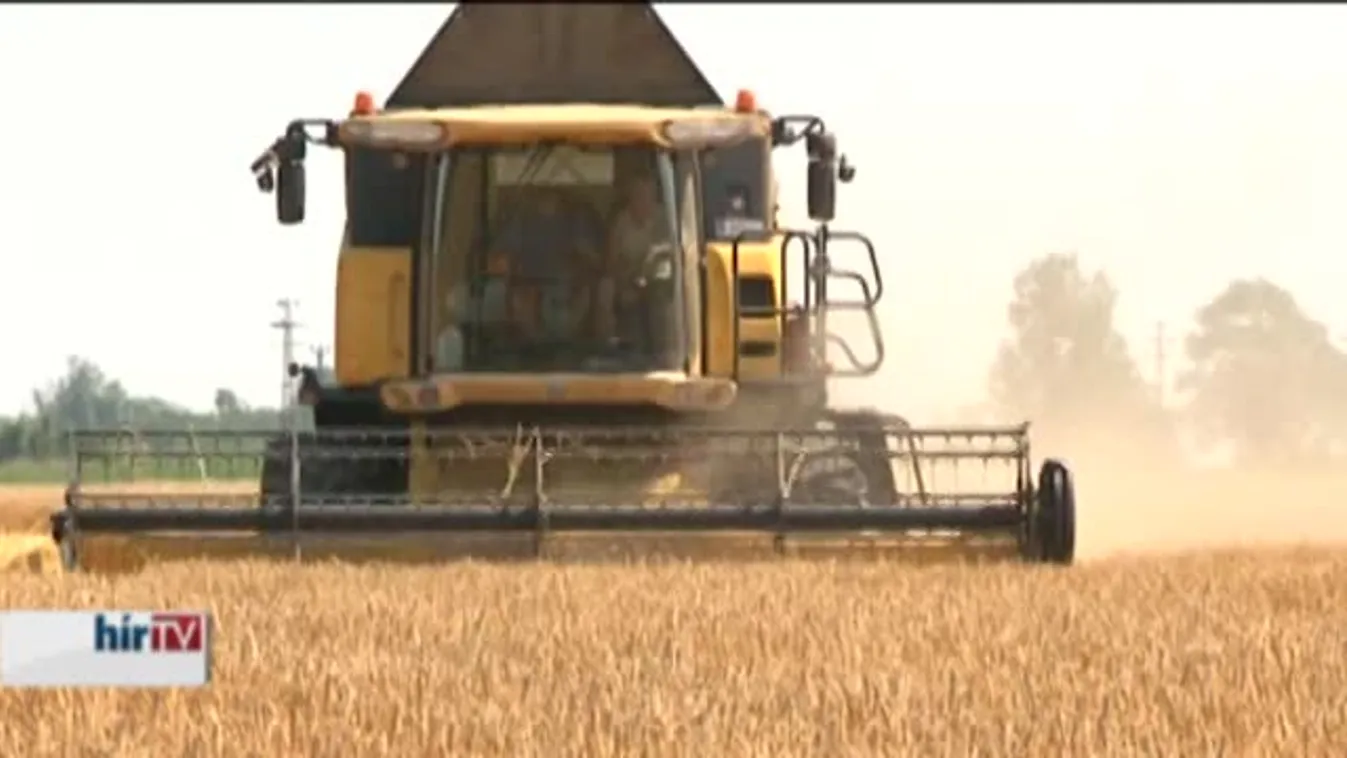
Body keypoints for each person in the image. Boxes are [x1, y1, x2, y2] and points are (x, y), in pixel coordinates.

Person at [492, 190, 602, 341]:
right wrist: (511, 276)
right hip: (530, 285)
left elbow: (592, 257)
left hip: (567, 287)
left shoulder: (577, 217)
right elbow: (502, 257)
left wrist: (584, 266)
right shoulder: (520, 217)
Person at [600, 176, 673, 341]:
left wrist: (642, 276)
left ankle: (662, 344)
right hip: (626, 273)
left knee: (660, 290)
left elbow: (667, 250)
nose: (644, 200)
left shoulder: (664, 218)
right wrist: (623, 280)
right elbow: (610, 260)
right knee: (605, 288)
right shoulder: (621, 221)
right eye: (639, 195)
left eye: (649, 195)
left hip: (655, 276)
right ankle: (606, 343)